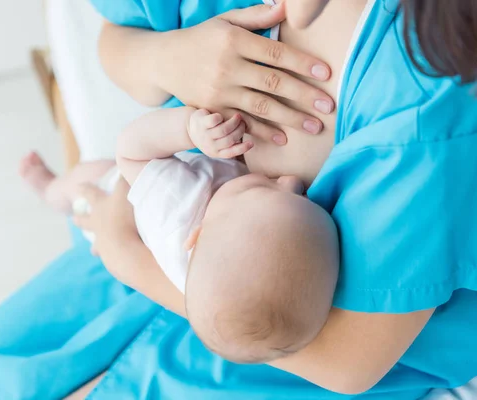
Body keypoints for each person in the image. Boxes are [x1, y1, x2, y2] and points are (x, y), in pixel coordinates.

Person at [0, 0, 477, 399]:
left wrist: (132, 258)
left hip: (300, 355)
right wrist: (167, 57)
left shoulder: (429, 110)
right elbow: (118, 40)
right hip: (144, 264)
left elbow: (348, 363)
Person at [19, 106, 339, 364]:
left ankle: (49, 188)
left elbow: (130, 150)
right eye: (302, 197)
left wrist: (187, 129)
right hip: (135, 231)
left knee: (83, 179)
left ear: (196, 235)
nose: (291, 181)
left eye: (262, 188)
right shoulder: (231, 268)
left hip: (109, 197)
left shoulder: (180, 202)